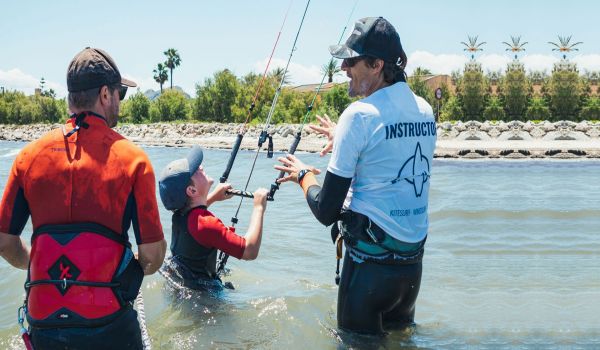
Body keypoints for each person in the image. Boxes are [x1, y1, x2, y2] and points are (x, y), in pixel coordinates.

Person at [275, 17, 436, 334]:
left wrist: (304, 175)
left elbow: (326, 211)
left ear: (376, 64)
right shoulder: (424, 109)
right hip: (411, 272)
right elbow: (393, 153)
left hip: (369, 274)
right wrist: (344, 137)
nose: (343, 68)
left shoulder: (358, 116)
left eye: (351, 60)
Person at [0, 47, 167, 349]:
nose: (119, 101)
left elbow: (4, 243)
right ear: (105, 95)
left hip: (45, 326)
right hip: (110, 326)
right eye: (120, 94)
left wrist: (48, 270)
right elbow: (153, 256)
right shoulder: (133, 160)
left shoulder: (27, 157)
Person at [158, 146, 268, 291]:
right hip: (206, 299)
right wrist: (259, 207)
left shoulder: (179, 214)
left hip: (185, 287)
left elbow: (195, 220)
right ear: (192, 191)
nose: (201, 166)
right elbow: (250, 251)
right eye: (196, 170)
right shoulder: (206, 223)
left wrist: (214, 197)